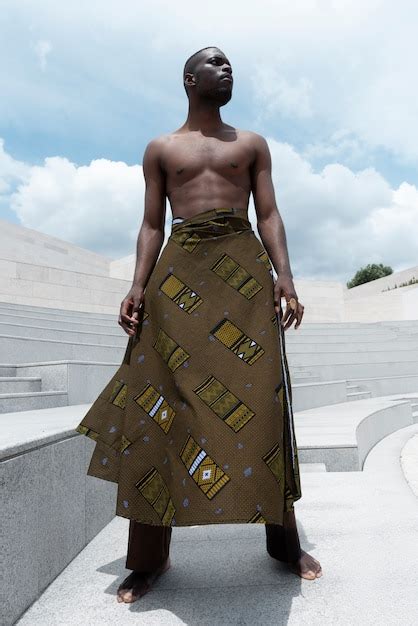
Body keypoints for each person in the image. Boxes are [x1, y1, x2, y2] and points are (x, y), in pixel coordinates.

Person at [75, 46, 322, 605]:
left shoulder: (252, 144)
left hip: (244, 273)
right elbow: (150, 223)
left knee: (264, 406)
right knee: (161, 410)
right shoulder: (161, 148)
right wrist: (137, 286)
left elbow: (269, 214)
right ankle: (147, 560)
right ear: (191, 79)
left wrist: (285, 276)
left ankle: (284, 546)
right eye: (216, 62)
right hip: (179, 277)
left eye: (229, 63)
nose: (227, 68)